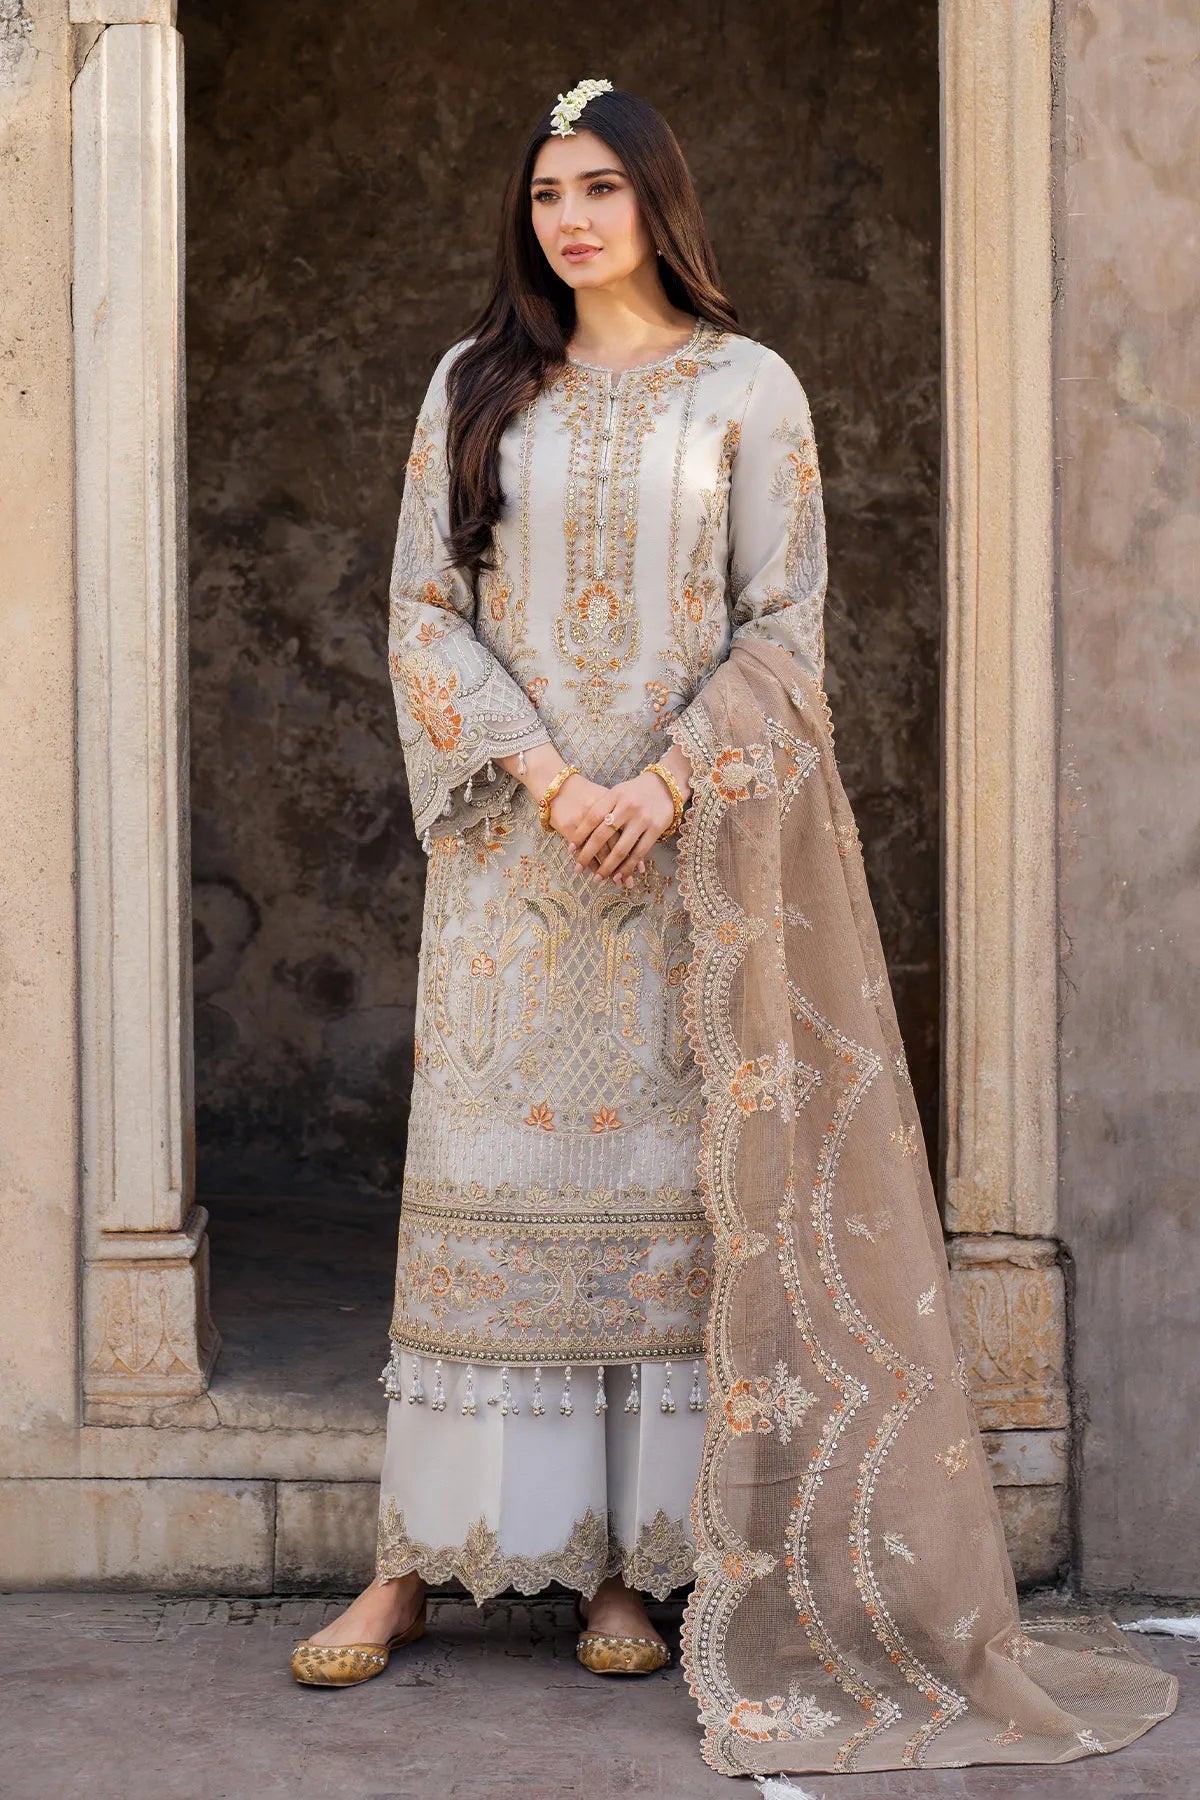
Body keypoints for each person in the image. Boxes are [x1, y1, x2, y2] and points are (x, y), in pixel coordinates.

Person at [290, 78, 1179, 1781]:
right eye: (547, 188)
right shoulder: (478, 387)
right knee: (478, 1205)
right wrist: (548, 777)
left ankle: (621, 1568)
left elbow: (789, 624)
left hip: (681, 865)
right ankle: (412, 1561)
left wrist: (669, 780)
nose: (569, 216)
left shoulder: (749, 389)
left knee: (655, 1218)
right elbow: (419, 602)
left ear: (657, 201)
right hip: (515, 869)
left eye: (601, 186)